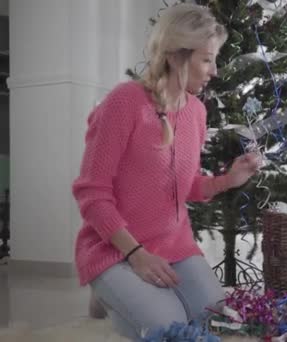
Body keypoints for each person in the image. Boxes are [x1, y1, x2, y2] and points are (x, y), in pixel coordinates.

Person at [72, 4, 259, 339]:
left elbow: (185, 187)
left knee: (216, 322)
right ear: (176, 56)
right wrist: (136, 255)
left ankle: (127, 299)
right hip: (115, 248)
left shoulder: (197, 113)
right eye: (206, 59)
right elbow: (91, 192)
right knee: (171, 328)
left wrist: (228, 181)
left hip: (176, 246)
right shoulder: (124, 102)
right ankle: (108, 291)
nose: (214, 71)